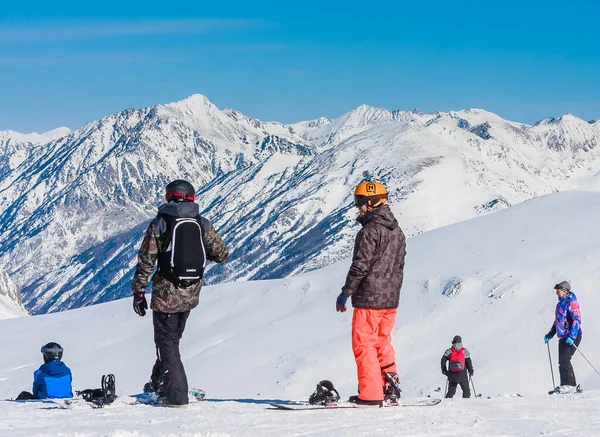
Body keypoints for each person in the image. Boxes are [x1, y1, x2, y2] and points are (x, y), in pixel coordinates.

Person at [132, 179, 228, 407]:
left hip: (165, 296)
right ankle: (158, 384)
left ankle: (176, 395)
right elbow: (222, 254)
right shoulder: (202, 224)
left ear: (168, 197)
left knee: (167, 344)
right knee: (171, 342)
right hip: (190, 295)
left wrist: (138, 293)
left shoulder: (160, 225)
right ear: (192, 198)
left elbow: (146, 261)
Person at [336, 173, 406, 406]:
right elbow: (398, 266)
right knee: (382, 343)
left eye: (360, 202)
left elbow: (360, 265)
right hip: (390, 300)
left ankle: (371, 394)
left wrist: (346, 292)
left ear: (373, 201)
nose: (358, 207)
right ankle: (391, 389)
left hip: (369, 299)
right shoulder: (398, 232)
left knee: (364, 344)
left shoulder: (369, 232)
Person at [544, 280, 582, 393]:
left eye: (558, 291)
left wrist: (572, 336)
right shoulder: (560, 304)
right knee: (562, 361)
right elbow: (558, 322)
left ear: (564, 291)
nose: (556, 293)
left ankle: (570, 385)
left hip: (572, 336)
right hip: (563, 336)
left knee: (565, 359)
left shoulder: (571, 302)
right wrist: (550, 334)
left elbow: (577, 319)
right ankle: (564, 385)